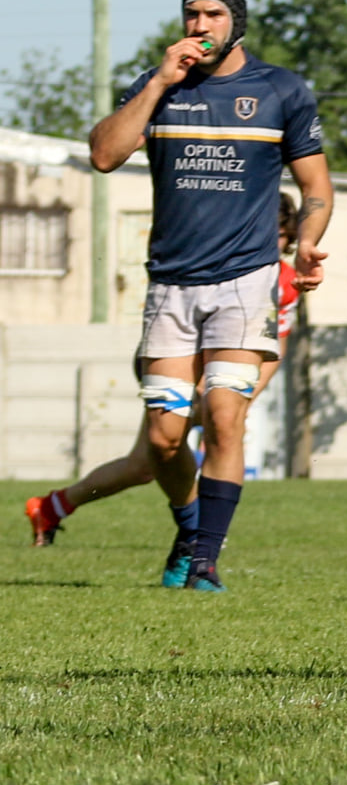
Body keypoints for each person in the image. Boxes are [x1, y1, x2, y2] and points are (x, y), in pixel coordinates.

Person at [86, 0, 330, 592]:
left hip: (245, 283)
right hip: (170, 285)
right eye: (191, 14)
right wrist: (159, 84)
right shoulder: (160, 85)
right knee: (165, 439)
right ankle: (189, 527)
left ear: (236, 21)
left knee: (225, 417)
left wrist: (304, 243)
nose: (199, 26)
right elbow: (104, 154)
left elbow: (317, 190)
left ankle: (204, 562)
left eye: (213, 16)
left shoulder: (281, 91)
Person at [25, 194, 305, 549]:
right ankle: (197, 537)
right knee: (170, 448)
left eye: (280, 236)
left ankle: (50, 508)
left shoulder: (286, 282)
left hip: (224, 372)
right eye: (267, 233)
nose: (272, 243)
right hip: (174, 359)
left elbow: (276, 341)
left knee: (143, 465)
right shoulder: (211, 262)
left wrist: (245, 397)